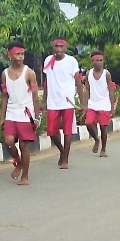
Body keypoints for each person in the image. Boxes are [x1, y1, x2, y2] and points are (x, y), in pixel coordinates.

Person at [0, 42, 40, 185]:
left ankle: (25, 176)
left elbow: (35, 97)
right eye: (17, 54)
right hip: (11, 113)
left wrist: (37, 117)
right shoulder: (4, 74)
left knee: (24, 145)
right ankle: (18, 162)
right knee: (9, 141)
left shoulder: (29, 73)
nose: (21, 57)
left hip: (25, 114)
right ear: (10, 55)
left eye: (22, 54)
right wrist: (2, 117)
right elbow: (4, 96)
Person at [42, 38, 84, 169]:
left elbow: (78, 82)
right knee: (52, 132)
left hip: (67, 102)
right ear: (52, 47)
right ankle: (62, 150)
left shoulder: (71, 61)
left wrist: (83, 102)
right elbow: (47, 82)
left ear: (65, 48)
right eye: (56, 46)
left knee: (67, 131)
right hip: (53, 102)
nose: (58, 49)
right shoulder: (48, 60)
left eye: (61, 46)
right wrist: (43, 101)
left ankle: (65, 158)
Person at [83, 51, 118, 157]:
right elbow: (87, 90)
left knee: (103, 127)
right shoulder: (88, 74)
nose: (99, 62)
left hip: (104, 104)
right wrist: (85, 105)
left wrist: (112, 107)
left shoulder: (106, 74)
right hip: (92, 104)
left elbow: (111, 90)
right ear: (92, 61)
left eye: (101, 60)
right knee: (88, 123)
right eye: (97, 60)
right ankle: (96, 140)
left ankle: (103, 149)